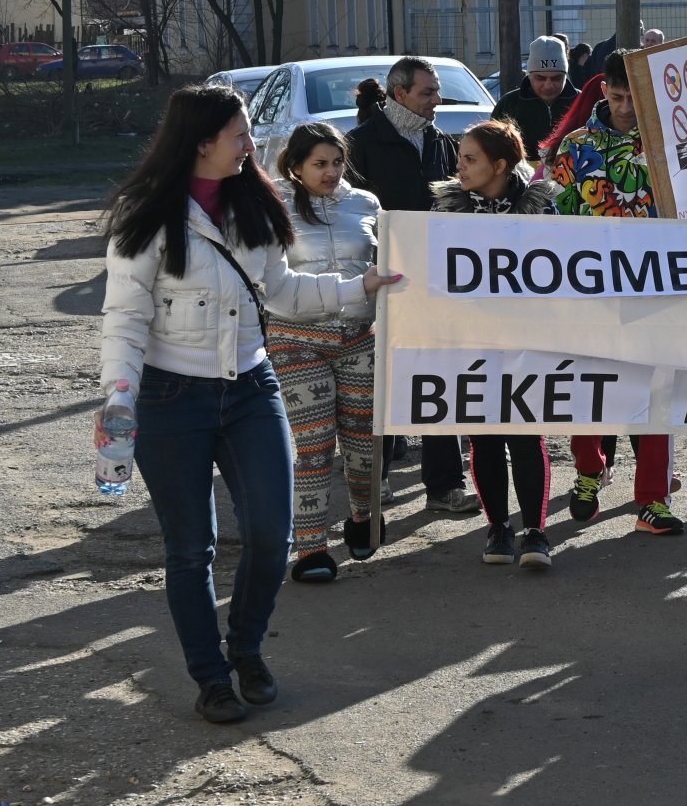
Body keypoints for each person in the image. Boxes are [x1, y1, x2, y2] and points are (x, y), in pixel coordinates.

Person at [100, 85, 400, 723]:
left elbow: (282, 291)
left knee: (271, 532)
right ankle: (211, 677)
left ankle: (246, 646)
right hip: (169, 395)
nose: (249, 144)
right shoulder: (146, 210)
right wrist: (119, 401)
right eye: (239, 134)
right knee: (191, 549)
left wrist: (359, 287)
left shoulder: (256, 201)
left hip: (249, 388)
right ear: (202, 142)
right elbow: (124, 317)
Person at [545, 51, 683, 533]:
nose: (626, 107)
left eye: (634, 98)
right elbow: (557, 220)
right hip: (591, 291)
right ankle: (589, 471)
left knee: (657, 393)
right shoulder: (575, 146)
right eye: (618, 96)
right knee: (589, 389)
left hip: (656, 286)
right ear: (604, 90)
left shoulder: (669, 141)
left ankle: (653, 500)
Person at [345, 59, 479, 515]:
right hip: (382, 284)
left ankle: (444, 485)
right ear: (399, 94)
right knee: (384, 381)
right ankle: (375, 479)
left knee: (440, 379)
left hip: (438, 281)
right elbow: (350, 217)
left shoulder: (442, 143)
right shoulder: (360, 145)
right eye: (427, 92)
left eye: (437, 91)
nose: (436, 100)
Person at [431, 121, 560, 568]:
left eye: (470, 159)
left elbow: (562, 271)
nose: (460, 168)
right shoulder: (446, 212)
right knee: (484, 436)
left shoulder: (542, 210)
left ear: (500, 165)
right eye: (460, 158)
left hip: (527, 339)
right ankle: (498, 528)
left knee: (525, 434)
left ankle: (536, 533)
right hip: (470, 339)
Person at [268, 122, 382, 583]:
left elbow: (387, 262)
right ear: (295, 166)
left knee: (364, 443)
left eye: (337, 162)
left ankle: (362, 517)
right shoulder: (272, 205)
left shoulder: (367, 203)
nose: (331, 172)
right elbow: (267, 277)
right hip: (296, 338)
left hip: (359, 335)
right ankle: (311, 548)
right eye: (319, 164)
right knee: (315, 445)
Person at [491, 34, 578, 161]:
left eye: (556, 78)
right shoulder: (508, 104)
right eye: (540, 78)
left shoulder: (583, 102)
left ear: (566, 75)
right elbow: (492, 149)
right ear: (529, 75)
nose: (548, 85)